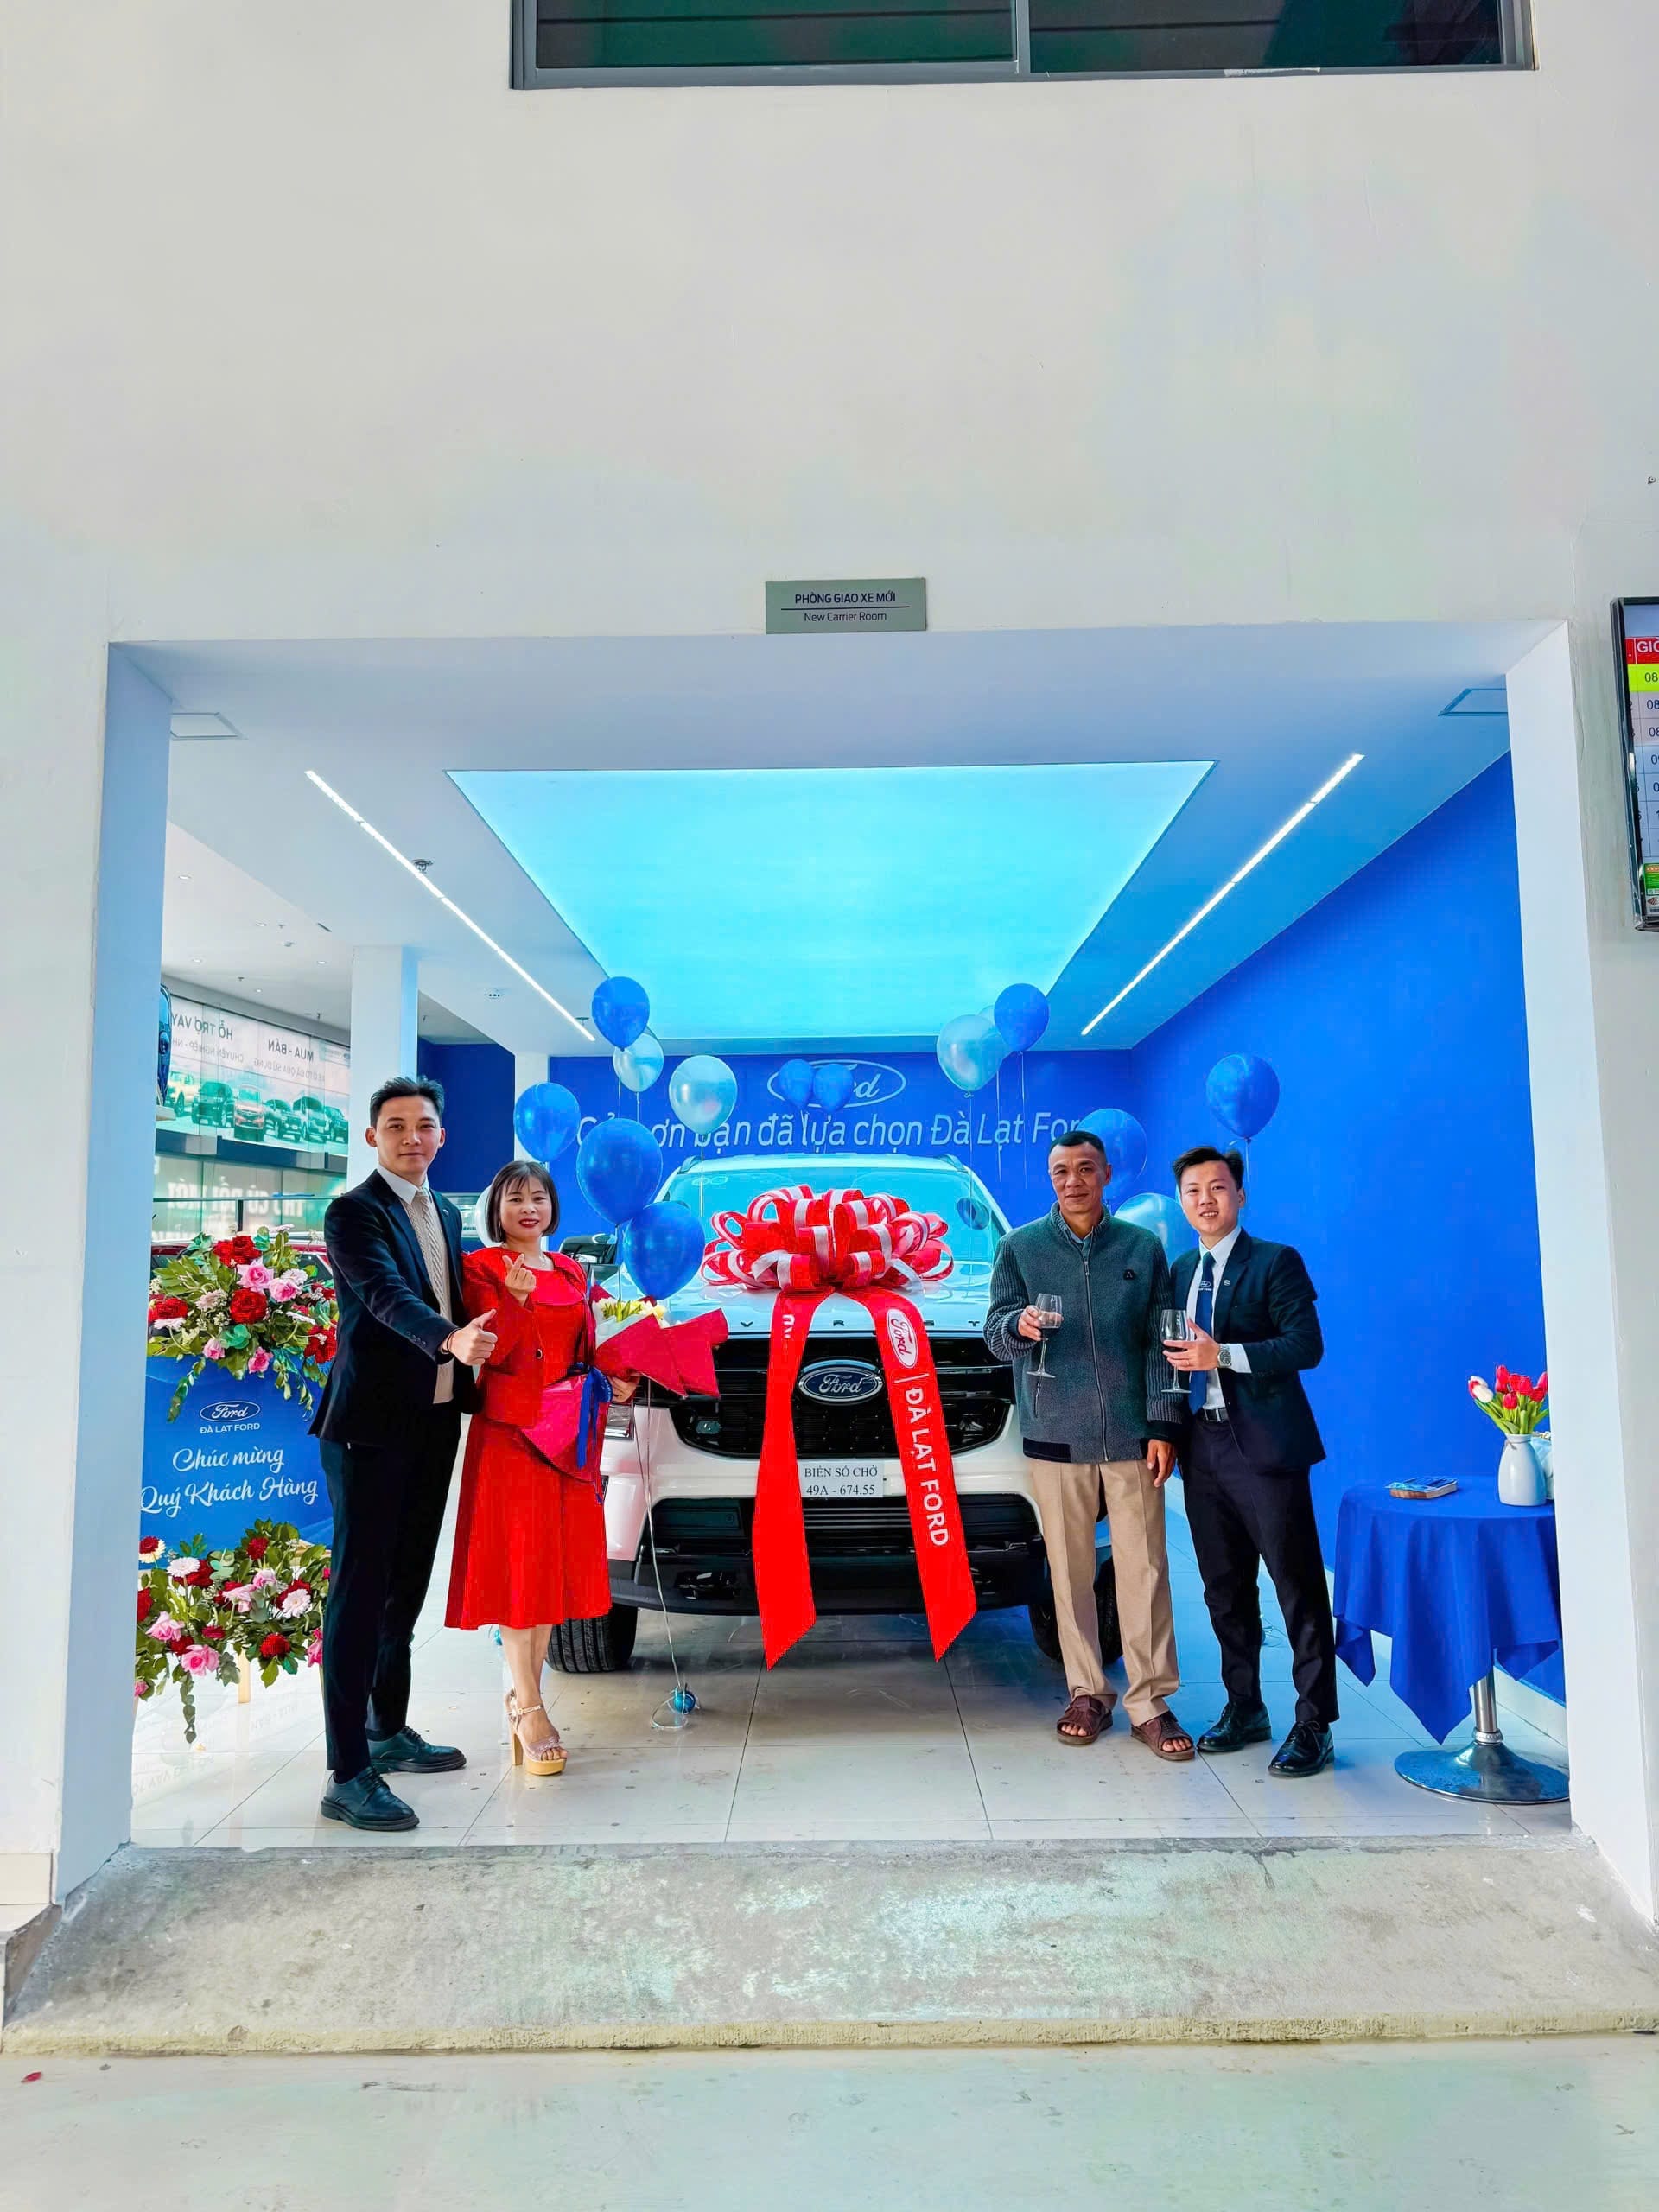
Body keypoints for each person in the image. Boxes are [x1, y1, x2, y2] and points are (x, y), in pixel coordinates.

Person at [311, 1075, 497, 1831]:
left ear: (441, 1136)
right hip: (369, 1427)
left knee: (405, 1587)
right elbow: (387, 1295)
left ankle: (386, 1729)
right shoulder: (353, 1213)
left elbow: (457, 1295)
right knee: (358, 1596)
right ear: (372, 1137)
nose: (412, 1137)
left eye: (424, 1125)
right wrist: (448, 1338)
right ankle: (346, 1771)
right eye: (396, 1126)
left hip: (435, 1419)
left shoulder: (444, 1211)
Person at [986, 1130, 1193, 1758]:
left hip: (1132, 1435)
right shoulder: (1019, 1247)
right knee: (1070, 1570)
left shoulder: (1141, 1248)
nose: (1072, 1181)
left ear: (1106, 1174)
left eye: (1084, 1169)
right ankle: (1087, 1692)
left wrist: (1163, 1423)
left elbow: (1165, 1341)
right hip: (1054, 1433)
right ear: (1050, 1179)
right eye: (1061, 1171)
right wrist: (1019, 1325)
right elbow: (995, 1335)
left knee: (1145, 1569)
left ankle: (1150, 1701)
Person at [445, 1159, 637, 1775]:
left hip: (570, 1437)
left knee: (549, 1568)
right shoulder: (481, 1267)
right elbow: (493, 1352)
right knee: (520, 1566)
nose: (528, 1209)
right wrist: (515, 1300)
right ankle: (528, 1704)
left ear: (553, 1207)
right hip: (515, 1434)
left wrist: (624, 1374)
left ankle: (523, 1700)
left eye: (538, 1198)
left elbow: (595, 1345)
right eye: (515, 1199)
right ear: (495, 1209)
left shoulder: (573, 1271)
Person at [1162, 1145, 1338, 1778]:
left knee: (1296, 1585)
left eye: (1217, 1187)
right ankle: (1245, 1706)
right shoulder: (1180, 1270)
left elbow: (1305, 1345)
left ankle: (1314, 1723)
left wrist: (1224, 1355)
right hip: (1202, 1448)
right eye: (1193, 1191)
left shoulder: (1274, 1261)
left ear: (1239, 1194)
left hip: (1266, 1450)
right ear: (1181, 1202)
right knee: (1223, 1588)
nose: (1205, 1200)